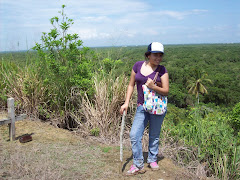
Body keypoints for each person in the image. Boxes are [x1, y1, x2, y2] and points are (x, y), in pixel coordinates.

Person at [120, 42, 169, 175]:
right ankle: (138, 164)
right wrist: (126, 102)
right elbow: (131, 85)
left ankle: (152, 159)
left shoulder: (162, 70)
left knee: (154, 134)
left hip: (156, 107)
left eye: (160, 55)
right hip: (142, 106)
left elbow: (166, 91)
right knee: (134, 135)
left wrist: (154, 87)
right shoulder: (137, 65)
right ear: (148, 55)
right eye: (155, 55)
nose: (158, 58)